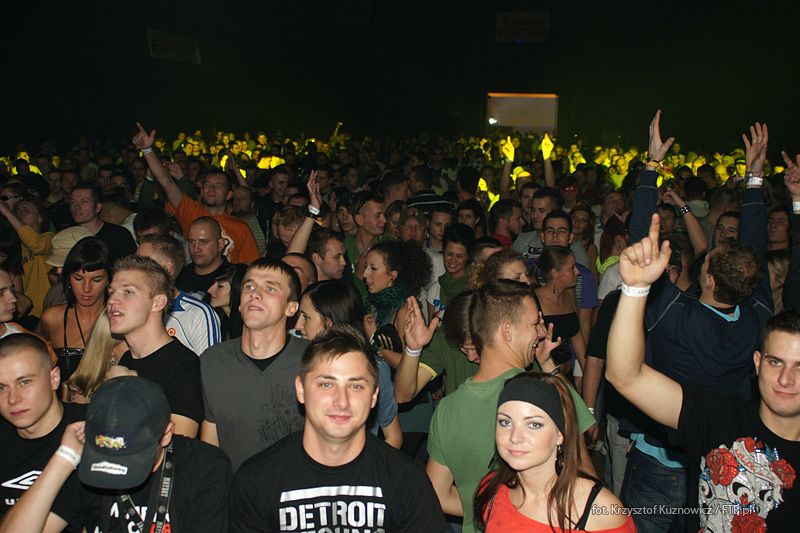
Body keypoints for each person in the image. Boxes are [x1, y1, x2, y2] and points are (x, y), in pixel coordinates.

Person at [607, 213, 800, 532]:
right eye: (776, 362)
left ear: (709, 280)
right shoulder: (722, 421)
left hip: (656, 459)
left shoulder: (677, 313)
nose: (785, 379)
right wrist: (636, 288)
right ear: (758, 362)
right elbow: (626, 376)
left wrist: (638, 286)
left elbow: (643, 248)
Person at [228, 325, 446, 532]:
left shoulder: (406, 482)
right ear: (301, 389)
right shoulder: (256, 481)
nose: (342, 401)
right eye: (326, 384)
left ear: (374, 396)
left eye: (356, 386)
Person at [425, 280, 596, 533]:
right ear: (507, 331)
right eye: (534, 324)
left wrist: (485, 509)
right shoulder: (543, 394)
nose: (541, 333)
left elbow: (437, 494)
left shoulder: (446, 408)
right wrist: (551, 370)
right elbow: (587, 484)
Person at [0, 376, 232, 532]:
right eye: (106, 456)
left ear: (166, 434)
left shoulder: (204, 467)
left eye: (130, 457)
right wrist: (63, 458)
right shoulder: (84, 461)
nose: (115, 468)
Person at [474, 373, 634, 532]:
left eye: (534, 425)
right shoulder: (491, 491)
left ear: (560, 434)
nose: (515, 437)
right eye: (505, 422)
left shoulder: (601, 511)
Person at [200, 258, 309, 470]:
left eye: (270, 288)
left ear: (291, 308)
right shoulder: (213, 361)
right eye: (249, 286)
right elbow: (211, 442)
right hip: (234, 487)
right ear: (239, 304)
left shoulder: (314, 360)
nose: (255, 294)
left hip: (296, 487)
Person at [294, 279, 403, 449]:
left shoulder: (372, 368)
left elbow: (394, 436)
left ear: (328, 323)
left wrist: (370, 465)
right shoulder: (296, 362)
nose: (298, 325)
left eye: (306, 317)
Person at [133, 122, 260, 264]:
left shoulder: (241, 228)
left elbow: (251, 266)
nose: (211, 189)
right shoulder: (190, 211)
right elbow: (166, 181)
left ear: (229, 195)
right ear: (201, 190)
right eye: (207, 185)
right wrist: (147, 150)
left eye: (218, 186)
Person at [109, 255, 204, 438]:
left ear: (158, 303)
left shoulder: (184, 367)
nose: (112, 300)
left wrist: (126, 392)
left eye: (128, 292)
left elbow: (177, 447)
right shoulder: (127, 359)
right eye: (111, 292)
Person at [0, 334, 85, 522]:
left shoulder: (90, 428)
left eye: (24, 382)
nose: (13, 399)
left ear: (54, 378)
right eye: (1, 388)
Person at [39, 237, 111, 382]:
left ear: (109, 280)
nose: (86, 288)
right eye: (78, 278)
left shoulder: (119, 320)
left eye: (96, 280)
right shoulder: (52, 318)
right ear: (68, 278)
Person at [137, 234, 222, 355]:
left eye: (143, 264)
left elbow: (210, 364)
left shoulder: (197, 314)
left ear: (167, 268)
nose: (133, 269)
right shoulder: (130, 308)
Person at [363, 240, 432, 368]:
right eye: (365, 267)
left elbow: (410, 366)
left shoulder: (406, 310)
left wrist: (373, 340)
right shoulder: (373, 302)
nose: (365, 274)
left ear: (392, 275)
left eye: (373, 268)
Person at [532, 247, 587, 377]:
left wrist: (585, 373)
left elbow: (577, 337)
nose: (577, 272)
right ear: (555, 273)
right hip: (544, 376)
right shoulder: (533, 300)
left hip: (568, 374)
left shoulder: (569, 295)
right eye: (571, 268)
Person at [0, 198, 53, 317]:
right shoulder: (13, 245)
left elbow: (37, 245)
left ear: (40, 218)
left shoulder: (49, 238)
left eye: (26, 211)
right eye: (17, 211)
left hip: (43, 313)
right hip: (21, 312)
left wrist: (6, 211)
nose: (20, 214)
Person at [68, 181, 136, 261]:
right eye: (73, 202)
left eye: (84, 202)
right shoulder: (67, 236)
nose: (76, 207)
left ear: (98, 207)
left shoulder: (120, 235)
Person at [175, 216, 231, 298]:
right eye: (191, 241)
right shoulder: (179, 276)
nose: (196, 248)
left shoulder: (232, 280)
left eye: (203, 242)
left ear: (220, 244)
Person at [207, 263, 248, 340]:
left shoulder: (247, 328)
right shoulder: (215, 319)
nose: (209, 290)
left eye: (220, 286)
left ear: (237, 290)